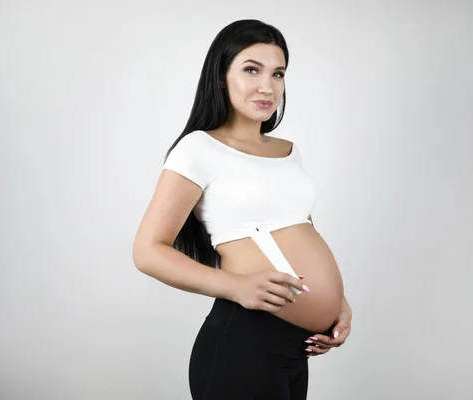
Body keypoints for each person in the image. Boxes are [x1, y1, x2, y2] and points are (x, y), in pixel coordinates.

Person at [132, 19, 353, 399]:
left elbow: (302, 230)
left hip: (296, 350)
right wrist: (236, 287)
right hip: (245, 345)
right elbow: (147, 251)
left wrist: (338, 304)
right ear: (221, 75)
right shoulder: (198, 149)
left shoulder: (288, 151)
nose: (268, 86)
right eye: (252, 69)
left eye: (278, 73)